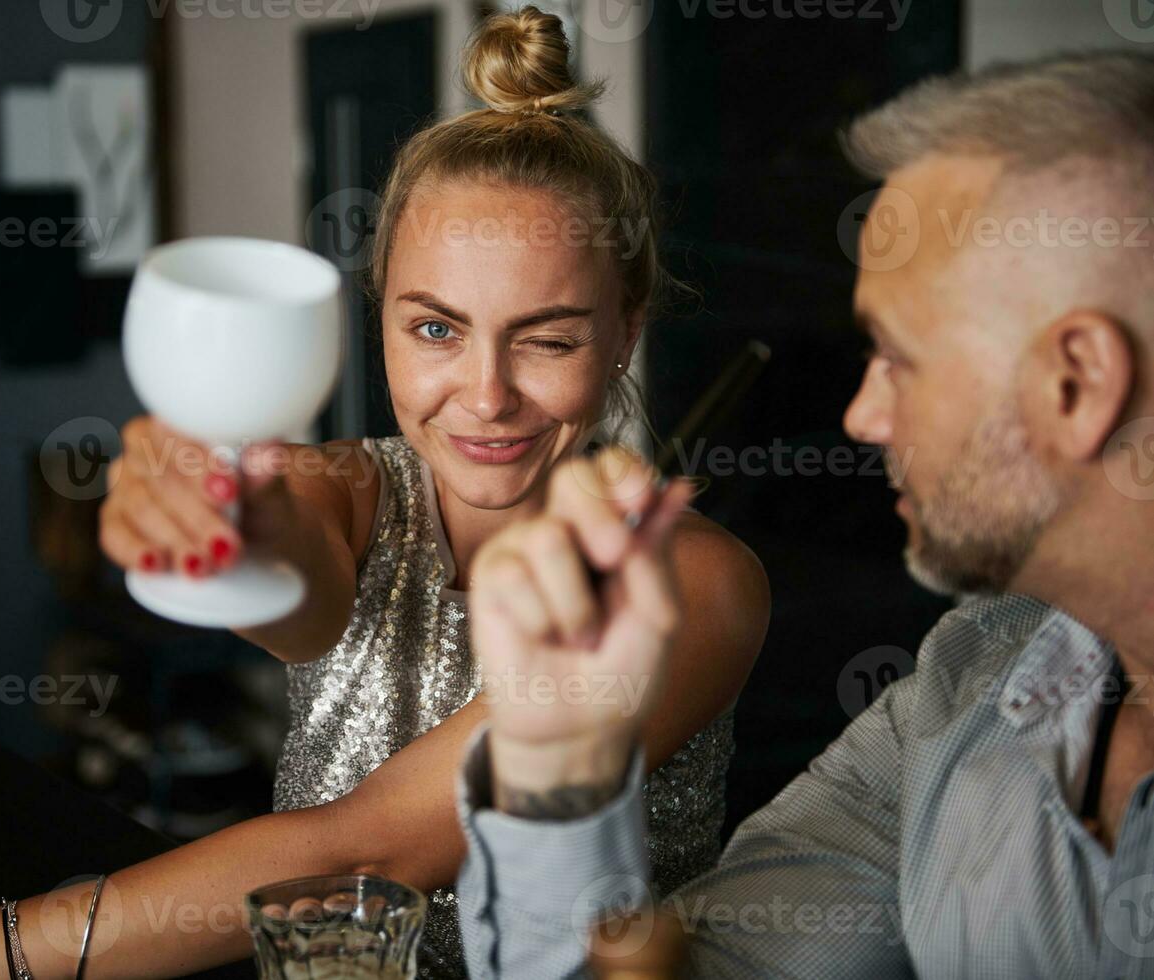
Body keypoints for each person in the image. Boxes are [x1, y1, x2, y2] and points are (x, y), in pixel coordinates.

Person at [0, 8, 769, 979]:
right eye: (435, 328)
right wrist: (226, 538)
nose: (484, 396)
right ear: (380, 309)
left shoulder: (693, 584)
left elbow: (370, 842)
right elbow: (300, 587)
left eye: (549, 339)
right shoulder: (350, 485)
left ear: (626, 329)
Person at [454, 49, 1154, 979]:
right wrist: (553, 764)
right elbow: (697, 968)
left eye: (897, 358)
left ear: (1076, 382)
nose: (861, 416)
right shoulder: (958, 691)